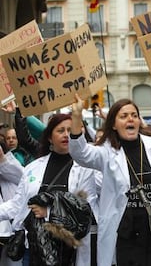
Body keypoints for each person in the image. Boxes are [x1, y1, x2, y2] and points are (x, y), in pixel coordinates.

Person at [69, 94, 151, 266]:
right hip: (129, 231)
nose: (130, 119)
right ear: (113, 124)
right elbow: (80, 154)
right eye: (124, 116)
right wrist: (76, 117)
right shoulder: (106, 153)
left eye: (134, 115)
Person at [0, 113, 98, 266]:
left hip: (70, 252)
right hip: (35, 249)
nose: (66, 134)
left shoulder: (87, 168)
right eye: (60, 130)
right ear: (50, 138)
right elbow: (17, 205)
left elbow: (87, 211)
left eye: (70, 130)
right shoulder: (33, 168)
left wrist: (50, 213)